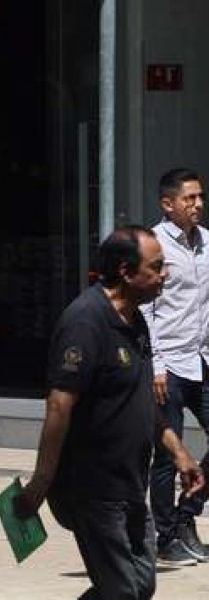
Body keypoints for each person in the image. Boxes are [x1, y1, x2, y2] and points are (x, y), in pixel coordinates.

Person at [16, 227, 206, 600]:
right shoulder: (85, 322)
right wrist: (42, 481)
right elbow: (59, 405)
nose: (164, 274)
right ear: (126, 270)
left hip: (131, 481)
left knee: (139, 587)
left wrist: (178, 450)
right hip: (92, 487)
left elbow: (141, 398)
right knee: (121, 593)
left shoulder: (136, 322)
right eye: (156, 267)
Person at [140, 168, 209, 564]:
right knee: (167, 454)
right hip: (169, 364)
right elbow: (146, 309)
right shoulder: (154, 245)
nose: (197, 204)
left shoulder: (206, 243)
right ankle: (166, 539)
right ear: (168, 204)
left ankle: (188, 515)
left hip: (201, 358)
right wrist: (156, 365)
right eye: (189, 198)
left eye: (200, 197)